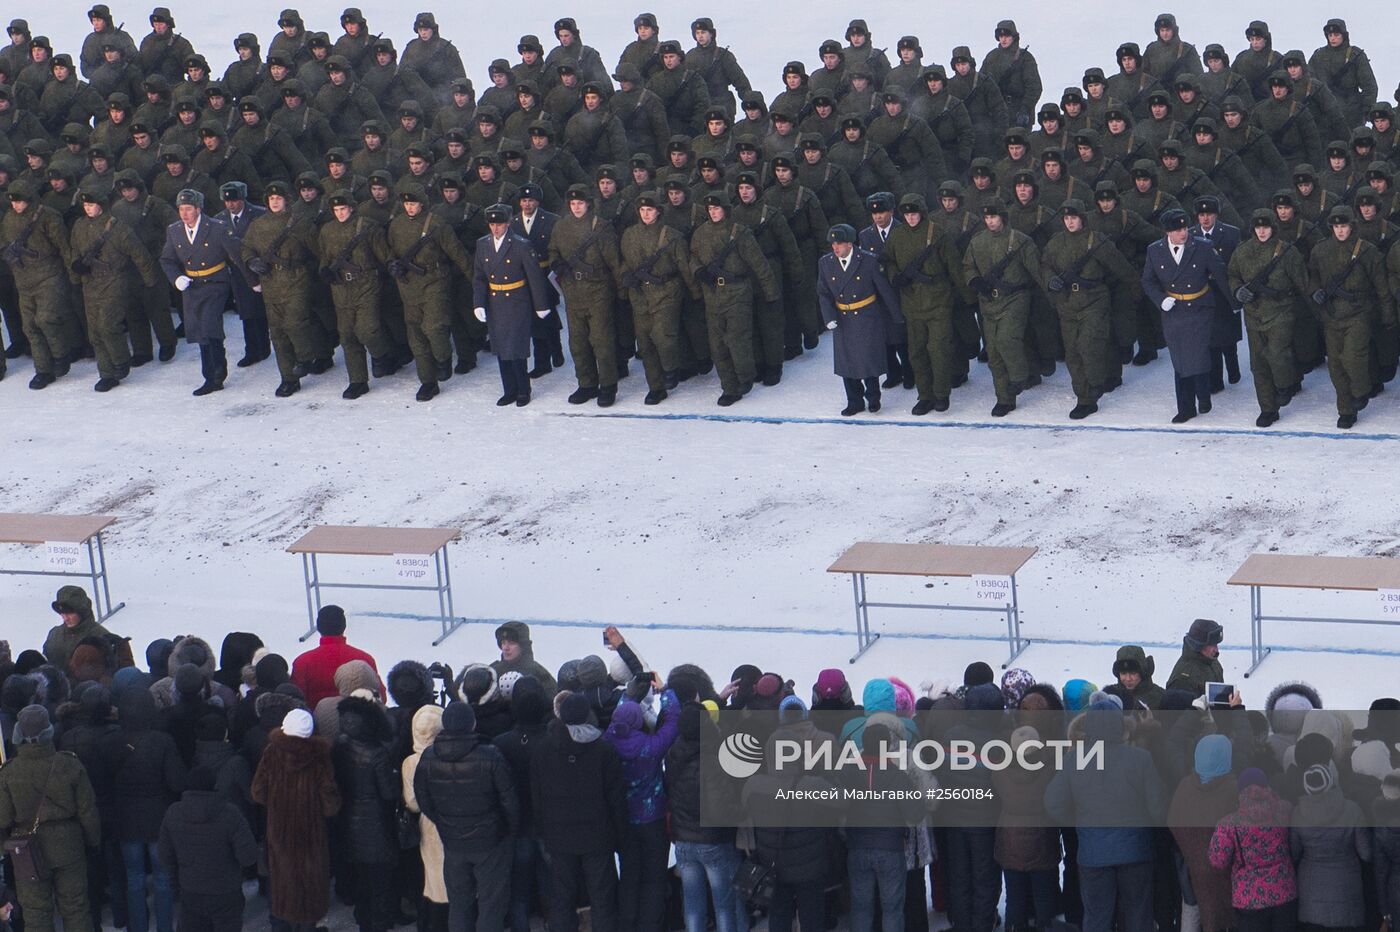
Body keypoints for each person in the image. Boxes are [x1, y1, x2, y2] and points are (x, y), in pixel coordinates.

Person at [1045, 701, 1167, 932]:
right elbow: (1158, 808)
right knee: (1138, 916)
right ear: (1121, 726)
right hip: (1136, 852)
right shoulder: (1140, 758)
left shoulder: (1074, 760)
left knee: (1097, 918)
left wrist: (1078, 821)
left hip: (1093, 854)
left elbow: (1053, 804)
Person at [414, 700, 519, 932]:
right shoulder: (491, 756)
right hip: (490, 841)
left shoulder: (429, 758)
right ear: (472, 724)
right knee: (492, 905)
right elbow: (509, 801)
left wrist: (443, 822)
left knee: (459, 905)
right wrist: (508, 830)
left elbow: (423, 799)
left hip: (453, 840)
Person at [532, 692, 627, 932]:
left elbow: (537, 795)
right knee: (603, 898)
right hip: (597, 837)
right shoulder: (604, 750)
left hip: (558, 836)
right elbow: (616, 799)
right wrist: (620, 835)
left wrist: (544, 829)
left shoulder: (543, 749)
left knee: (562, 898)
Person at [0, 704, 100, 932]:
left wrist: (7, 848)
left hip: (26, 850)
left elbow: (2, 818)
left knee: (35, 913)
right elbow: (88, 811)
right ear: (49, 731)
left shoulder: (8, 772)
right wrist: (93, 842)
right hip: (69, 846)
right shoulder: (70, 764)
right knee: (76, 908)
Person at [250, 707, 341, 932]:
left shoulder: (271, 752)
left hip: (279, 832)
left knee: (282, 879)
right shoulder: (320, 758)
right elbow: (330, 805)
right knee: (309, 885)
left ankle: (281, 927)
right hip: (311, 836)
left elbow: (258, 792)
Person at [1140, 208, 1232, 423]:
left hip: (1200, 308)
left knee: (1196, 353)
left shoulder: (1202, 247)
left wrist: (1234, 303)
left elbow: (1221, 275)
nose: (1183, 233)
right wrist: (1161, 299)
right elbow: (1148, 280)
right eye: (1177, 229)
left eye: (1184, 228)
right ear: (1167, 232)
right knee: (1179, 358)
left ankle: (1193, 402)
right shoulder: (1155, 250)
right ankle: (1193, 400)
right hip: (1172, 310)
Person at [157, 188, 249, 395]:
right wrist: (176, 278)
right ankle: (215, 370)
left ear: (198, 209)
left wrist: (252, 282)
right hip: (191, 285)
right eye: (181, 209)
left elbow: (237, 255)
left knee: (208, 326)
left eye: (188, 209)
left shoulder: (216, 228)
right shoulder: (174, 230)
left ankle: (214, 375)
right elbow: (167, 259)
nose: (184, 213)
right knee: (198, 330)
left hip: (215, 282)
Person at [1227, 210, 1309, 427]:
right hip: (1253, 313)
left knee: (1277, 353)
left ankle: (1284, 384)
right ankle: (1268, 408)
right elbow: (1233, 274)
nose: (1262, 231)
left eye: (1266, 227)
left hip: (1281, 310)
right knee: (1258, 364)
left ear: (1273, 228)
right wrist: (1238, 290)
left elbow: (1303, 283)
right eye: (1258, 227)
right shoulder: (1242, 252)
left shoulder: (1287, 252)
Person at [156, 765, 258, 932]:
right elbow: (248, 857)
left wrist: (177, 880)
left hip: (190, 892)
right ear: (214, 785)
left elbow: (164, 856)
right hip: (226, 893)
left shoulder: (173, 813)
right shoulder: (230, 813)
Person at [817, 223, 904, 416]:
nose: (835, 248)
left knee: (867, 360)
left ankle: (873, 397)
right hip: (843, 318)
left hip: (867, 316)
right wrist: (828, 316)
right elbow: (823, 292)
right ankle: (854, 401)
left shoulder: (868, 261)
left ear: (850, 244)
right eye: (833, 244)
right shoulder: (826, 263)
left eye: (839, 243)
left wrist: (896, 316)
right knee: (847, 362)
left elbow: (884, 291)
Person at [472, 202, 553, 407]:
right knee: (500, 347)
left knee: (516, 347)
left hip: (517, 301)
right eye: (492, 224)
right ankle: (509, 390)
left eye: (499, 224)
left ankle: (523, 390)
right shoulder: (483, 244)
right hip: (495, 301)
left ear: (508, 223)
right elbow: (480, 277)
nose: (495, 228)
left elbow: (534, 277)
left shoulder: (521, 245)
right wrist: (478, 303)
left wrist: (541, 305)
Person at [1209, 770, 1298, 932]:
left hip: (1248, 901)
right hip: (1285, 893)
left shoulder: (1229, 823)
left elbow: (1218, 860)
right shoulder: (1285, 810)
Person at [402, 704, 447, 932]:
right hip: (451, 821)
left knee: (432, 876)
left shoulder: (410, 763)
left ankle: (430, 922)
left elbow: (411, 803)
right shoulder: (449, 756)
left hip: (427, 825)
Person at [289, 605, 383, 708]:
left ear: (319, 627)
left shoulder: (302, 662)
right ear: (344, 626)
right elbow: (381, 697)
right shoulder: (364, 659)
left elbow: (296, 702)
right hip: (360, 721)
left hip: (316, 721)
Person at [42, 586, 113, 671]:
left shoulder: (101, 637)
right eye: (62, 613)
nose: (65, 618)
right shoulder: (55, 634)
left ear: (82, 611)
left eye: (70, 613)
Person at [1167, 619, 1225, 696]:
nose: (1216, 649)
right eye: (1212, 645)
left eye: (1216, 644)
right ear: (1199, 645)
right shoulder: (1183, 680)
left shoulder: (1210, 660)